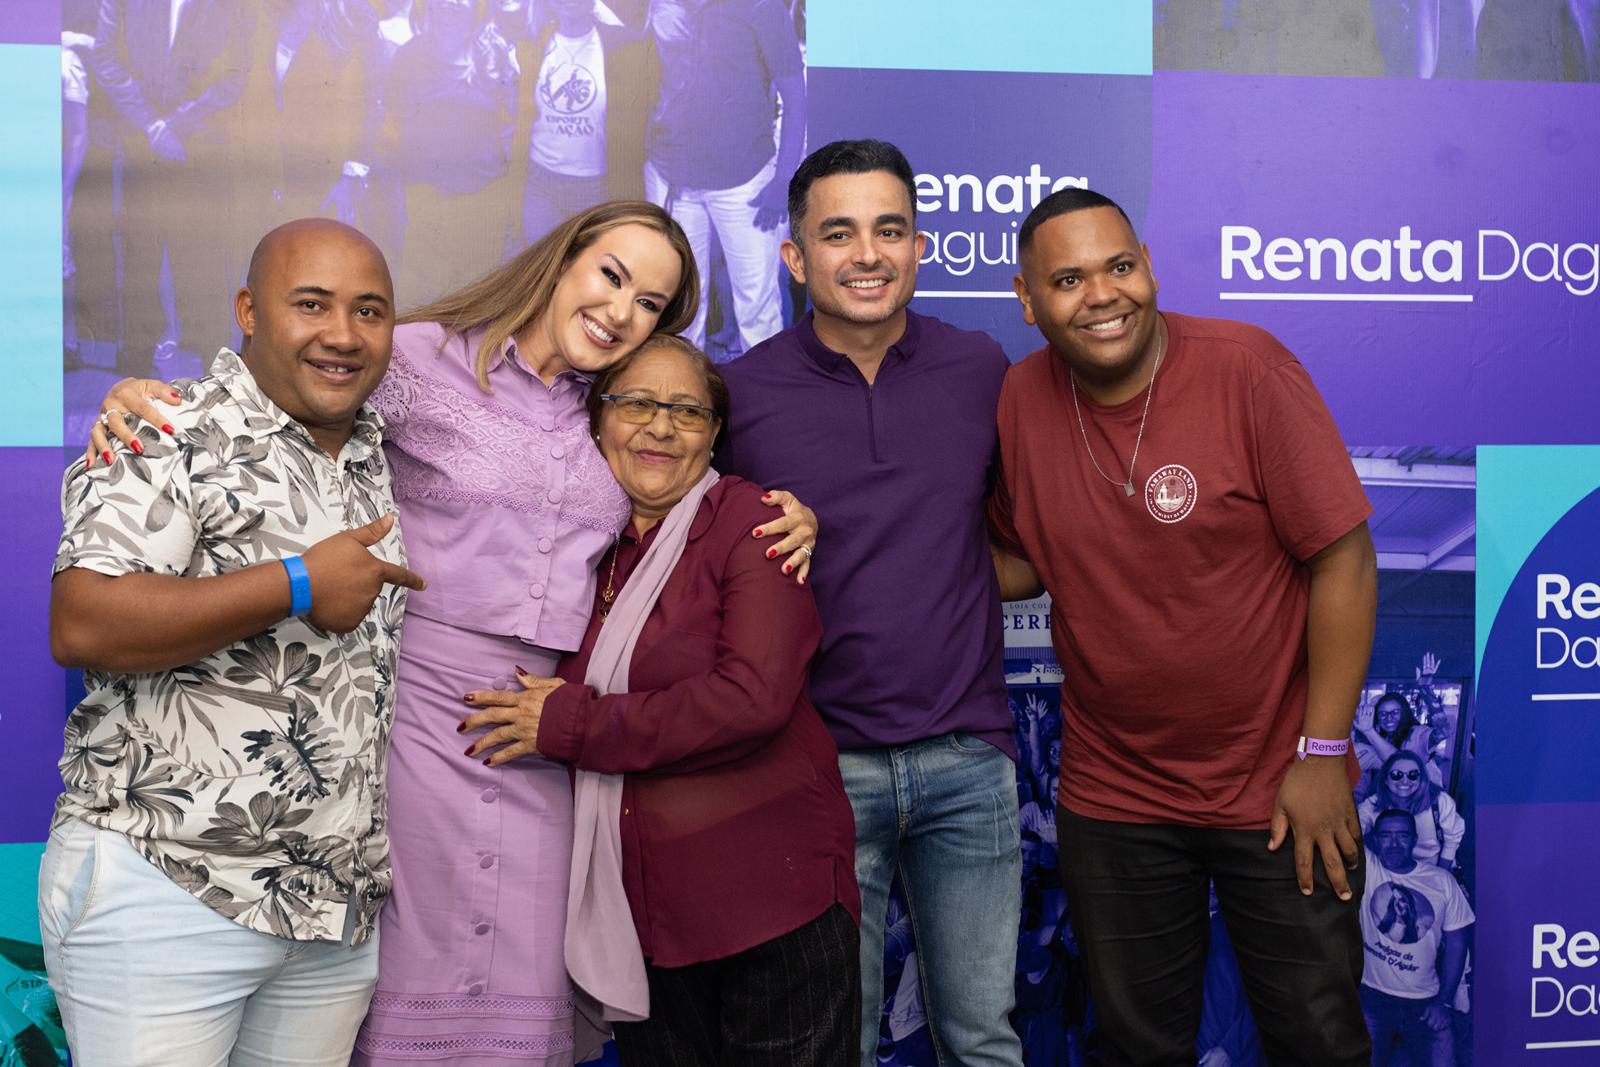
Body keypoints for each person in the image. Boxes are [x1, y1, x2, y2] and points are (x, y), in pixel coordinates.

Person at [88, 200, 817, 1066]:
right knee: (401, 984)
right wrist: (149, 398)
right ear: (562, 261)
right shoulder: (420, 359)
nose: (622, 310)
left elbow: (682, 494)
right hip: (411, 727)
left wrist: (790, 513)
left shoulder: (612, 407)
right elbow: (289, 391)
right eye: (611, 275)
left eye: (650, 303)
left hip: (546, 740)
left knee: (521, 1004)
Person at [989, 187, 1378, 1065]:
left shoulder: (1247, 369)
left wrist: (1322, 754)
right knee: (1134, 1048)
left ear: (1151, 268)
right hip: (1115, 796)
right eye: (1068, 279)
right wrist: (891, 563)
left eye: (1120, 266)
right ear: (1027, 299)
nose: (1103, 294)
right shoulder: (1019, 397)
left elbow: (1345, 560)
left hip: (1277, 787)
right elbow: (1020, 560)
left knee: (1318, 1042)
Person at [43, 219, 425, 1066]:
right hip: (168, 890)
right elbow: (83, 621)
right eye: (311, 304)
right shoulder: (169, 429)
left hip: (330, 913)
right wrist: (297, 583)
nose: (343, 333)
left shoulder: (376, 448)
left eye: (369, 311)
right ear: (249, 311)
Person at [460, 335, 860, 1064]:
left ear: (713, 433)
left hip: (770, 902)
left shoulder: (752, 524)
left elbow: (752, 697)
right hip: (640, 919)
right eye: (637, 403)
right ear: (597, 419)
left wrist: (572, 723)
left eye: (687, 411)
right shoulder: (571, 544)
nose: (661, 427)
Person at [716, 139, 1024, 1067]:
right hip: (817, 765)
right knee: (831, 1045)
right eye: (838, 232)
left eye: (890, 230)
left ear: (919, 247)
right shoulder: (739, 394)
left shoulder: (982, 369)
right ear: (794, 256)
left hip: (968, 758)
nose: (867, 254)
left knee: (982, 1038)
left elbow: (1025, 543)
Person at [92, 0, 255, 377]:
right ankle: (134, 379)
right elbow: (105, 58)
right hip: (141, 156)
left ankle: (216, 382)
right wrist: (152, 126)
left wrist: (175, 125)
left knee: (202, 272)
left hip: (201, 156)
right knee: (138, 269)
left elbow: (236, 76)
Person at [644, 0, 805, 354]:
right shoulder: (663, 5)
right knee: (680, 306)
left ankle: (764, 389)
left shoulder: (761, 7)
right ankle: (682, 386)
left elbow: (796, 98)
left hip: (744, 183)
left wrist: (783, 182)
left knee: (757, 310)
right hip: (672, 177)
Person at [512, 0, 652, 242]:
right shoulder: (532, 43)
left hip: (595, 188)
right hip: (540, 185)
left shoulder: (622, 46)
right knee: (542, 260)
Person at [1360, 811, 1473, 1067]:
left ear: (1415, 839)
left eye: (1402, 835)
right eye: (1386, 835)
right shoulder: (1367, 868)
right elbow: (1344, 820)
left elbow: (1457, 944)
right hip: (1373, 998)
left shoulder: (1441, 881)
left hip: (1426, 1003)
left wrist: (1444, 1002)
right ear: (1375, 839)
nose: (1394, 843)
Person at [1358, 751, 1465, 868]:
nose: (1405, 781)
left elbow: (1451, 841)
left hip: (1431, 866)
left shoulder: (1440, 802)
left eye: (1413, 775)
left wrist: (1442, 874)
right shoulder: (1373, 804)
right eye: (1396, 775)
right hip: (1391, 868)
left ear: (1421, 779)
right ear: (1385, 780)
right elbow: (1355, 830)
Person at [1354, 690, 1434, 800]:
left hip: (1424, 798)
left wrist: (1369, 731)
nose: (1389, 718)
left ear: (1404, 713)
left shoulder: (1417, 733)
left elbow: (1401, 764)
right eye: (1382, 714)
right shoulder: (1374, 742)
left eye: (1395, 712)